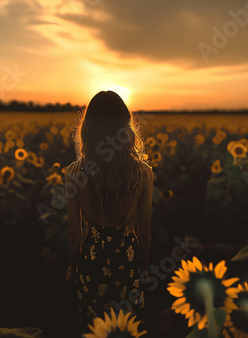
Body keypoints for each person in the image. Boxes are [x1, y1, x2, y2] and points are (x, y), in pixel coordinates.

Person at [64, 90, 154, 334]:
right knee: (127, 327)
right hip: (128, 260)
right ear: (125, 126)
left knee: (94, 327)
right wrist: (143, 270)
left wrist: (74, 268)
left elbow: (75, 234)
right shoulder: (143, 173)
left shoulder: (73, 172)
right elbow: (144, 233)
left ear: (88, 128)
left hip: (91, 261)